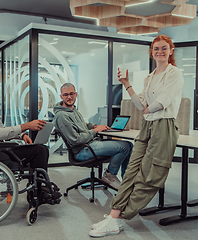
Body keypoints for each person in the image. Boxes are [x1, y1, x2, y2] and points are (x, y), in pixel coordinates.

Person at [89, 35, 184, 237]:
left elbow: (162, 102)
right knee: (131, 171)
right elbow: (141, 105)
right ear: (151, 51)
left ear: (171, 50)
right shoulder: (149, 77)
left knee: (151, 174)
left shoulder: (174, 74)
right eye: (156, 48)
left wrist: (147, 108)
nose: (159, 51)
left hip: (164, 125)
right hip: (147, 125)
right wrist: (126, 83)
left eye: (164, 48)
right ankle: (114, 216)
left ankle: (118, 217)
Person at [0, 68, 53, 182]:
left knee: (41, 149)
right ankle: (40, 189)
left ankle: (39, 188)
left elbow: (0, 128)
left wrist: (21, 136)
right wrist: (26, 126)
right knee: (39, 151)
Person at [53, 83, 133, 190]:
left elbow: (83, 126)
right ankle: (110, 175)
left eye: (72, 94)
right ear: (61, 97)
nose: (69, 97)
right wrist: (95, 131)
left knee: (129, 145)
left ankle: (126, 180)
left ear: (76, 94)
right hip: (82, 150)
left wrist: (94, 126)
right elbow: (76, 140)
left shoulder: (73, 110)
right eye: (66, 94)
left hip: (89, 144)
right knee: (125, 146)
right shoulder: (62, 115)